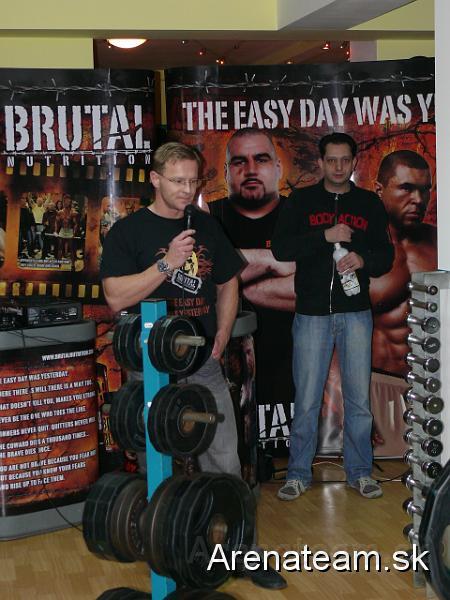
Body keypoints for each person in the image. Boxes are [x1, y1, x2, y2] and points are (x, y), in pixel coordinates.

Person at [100, 141, 286, 590]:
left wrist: (223, 332)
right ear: (155, 179)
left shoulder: (205, 225)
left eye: (193, 181)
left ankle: (240, 551)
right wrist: (167, 264)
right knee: (156, 465)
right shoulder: (128, 232)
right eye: (178, 181)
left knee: (224, 460)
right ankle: (166, 554)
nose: (187, 190)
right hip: (150, 370)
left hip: (202, 364)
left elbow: (227, 281)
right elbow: (116, 297)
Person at [272, 132, 394, 501]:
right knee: (307, 399)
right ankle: (297, 474)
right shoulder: (301, 201)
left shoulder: (369, 203)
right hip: (312, 313)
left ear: (354, 162)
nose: (339, 166)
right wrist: (324, 236)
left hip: (356, 313)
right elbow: (281, 249)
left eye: (345, 160)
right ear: (321, 162)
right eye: (332, 160)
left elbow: (385, 257)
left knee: (358, 400)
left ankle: (360, 472)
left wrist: (362, 259)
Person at [209, 128, 296, 444]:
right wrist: (271, 261)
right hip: (228, 352)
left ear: (278, 168)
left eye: (261, 159)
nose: (250, 169)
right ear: (226, 172)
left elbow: (311, 286)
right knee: (236, 441)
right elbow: (201, 283)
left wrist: (230, 279)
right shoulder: (209, 217)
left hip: (292, 354)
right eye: (239, 162)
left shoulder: (299, 213)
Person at [371, 150, 436, 376]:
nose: (418, 199)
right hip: (377, 378)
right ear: (379, 190)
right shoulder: (358, 246)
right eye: (406, 188)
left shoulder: (440, 243)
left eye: (425, 190)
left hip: (431, 381)